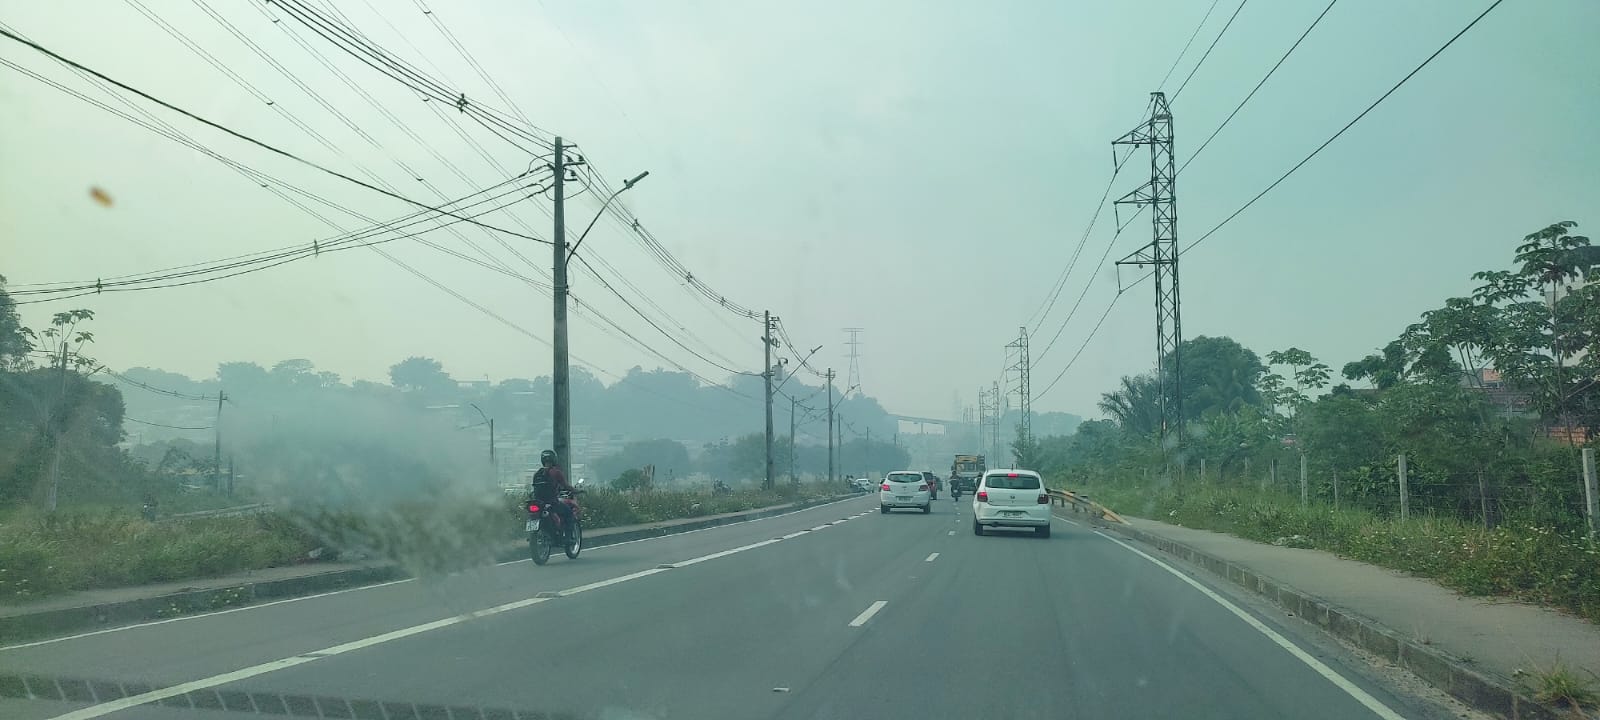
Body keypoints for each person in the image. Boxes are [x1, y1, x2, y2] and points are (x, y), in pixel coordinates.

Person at [530, 449, 576, 541]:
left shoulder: (537, 473)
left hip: (538, 502)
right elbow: (566, 486)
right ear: (554, 459)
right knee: (569, 513)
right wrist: (576, 490)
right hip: (552, 502)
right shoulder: (556, 472)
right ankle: (568, 538)